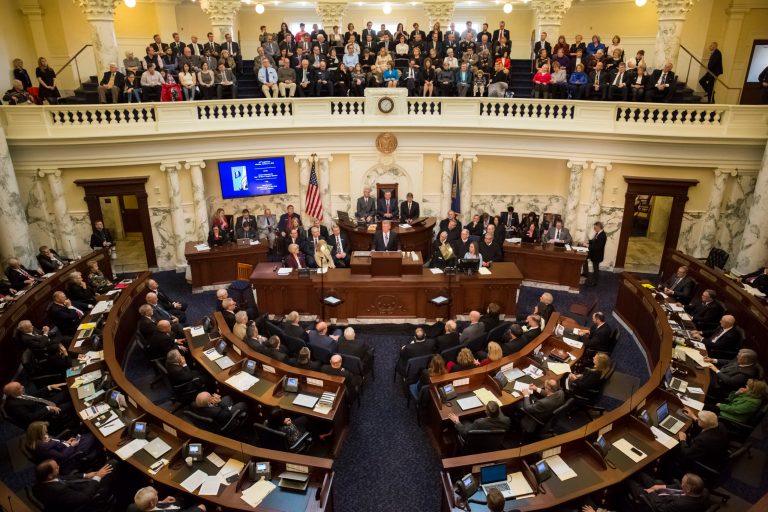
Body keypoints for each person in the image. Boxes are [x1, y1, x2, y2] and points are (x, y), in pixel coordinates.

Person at [32, 459, 115, 512]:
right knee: (113, 464)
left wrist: (85, 475)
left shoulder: (40, 482)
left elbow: (64, 478)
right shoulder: (59, 491)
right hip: (87, 496)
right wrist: (97, 477)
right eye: (56, 468)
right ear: (49, 475)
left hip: (74, 489)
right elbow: (84, 497)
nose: (58, 466)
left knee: (109, 466)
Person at [24, 421, 103, 474]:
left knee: (89, 435)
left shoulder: (40, 439)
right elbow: (62, 457)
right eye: (44, 431)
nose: (46, 432)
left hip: (67, 447)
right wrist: (72, 446)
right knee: (93, 436)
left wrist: (66, 442)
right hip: (71, 454)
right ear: (38, 434)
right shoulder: (45, 449)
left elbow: (56, 441)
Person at [2, 381, 74, 432]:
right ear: (14, 393)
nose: (23, 386)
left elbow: (34, 396)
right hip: (45, 415)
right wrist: (48, 408)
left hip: (44, 403)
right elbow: (31, 418)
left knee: (66, 392)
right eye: (20, 387)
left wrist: (49, 387)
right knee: (71, 404)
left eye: (21, 385)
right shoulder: (15, 406)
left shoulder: (18, 393)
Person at [628, 472, 708, 511]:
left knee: (630, 482)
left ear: (688, 489)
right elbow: (679, 487)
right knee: (640, 474)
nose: (681, 483)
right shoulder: (704, 491)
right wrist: (662, 487)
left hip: (659, 502)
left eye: (683, 482)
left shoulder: (680, 504)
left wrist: (652, 492)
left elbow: (660, 507)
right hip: (668, 494)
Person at [129, 486, 205, 512]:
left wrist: (162, 502)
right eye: (156, 495)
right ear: (151, 503)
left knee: (181, 494)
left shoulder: (135, 506)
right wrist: (200, 509)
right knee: (202, 506)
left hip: (166, 507)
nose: (157, 492)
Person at [583, 221, 606, 286]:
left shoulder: (602, 235)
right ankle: (585, 273)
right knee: (584, 259)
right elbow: (594, 241)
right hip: (593, 253)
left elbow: (598, 247)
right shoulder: (598, 233)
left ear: (599, 227)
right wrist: (588, 241)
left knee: (595, 268)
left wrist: (588, 246)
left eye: (595, 228)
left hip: (597, 255)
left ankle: (595, 282)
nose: (594, 229)